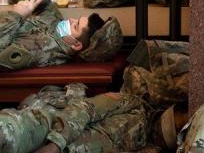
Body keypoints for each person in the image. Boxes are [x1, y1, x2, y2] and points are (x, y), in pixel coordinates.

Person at [0, 39, 190, 153]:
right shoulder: (134, 105)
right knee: (8, 134)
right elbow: (84, 109)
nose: (180, 126)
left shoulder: (150, 148)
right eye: (182, 123)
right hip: (47, 131)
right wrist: (55, 144)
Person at [0, 0, 122, 71]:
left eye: (75, 26)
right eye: (76, 19)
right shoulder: (57, 29)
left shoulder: (36, 50)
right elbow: (47, 9)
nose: (70, 20)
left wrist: (16, 16)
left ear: (76, 44)